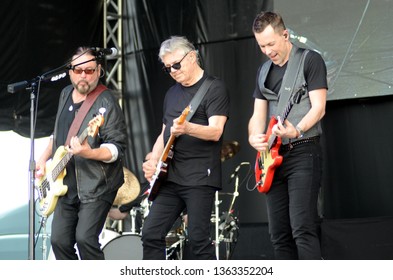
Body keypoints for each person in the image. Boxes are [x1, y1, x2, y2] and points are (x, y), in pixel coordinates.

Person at [141, 36, 229, 260]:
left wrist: (188, 128)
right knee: (151, 233)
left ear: (192, 57)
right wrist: (154, 159)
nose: (173, 71)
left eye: (176, 65)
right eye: (167, 68)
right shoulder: (172, 93)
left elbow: (216, 131)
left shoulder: (214, 88)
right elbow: (164, 132)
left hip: (200, 178)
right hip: (170, 178)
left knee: (198, 240)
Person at [248, 11, 327, 260]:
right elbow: (258, 116)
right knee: (279, 233)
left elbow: (319, 107)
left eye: (271, 44)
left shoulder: (309, 60)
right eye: (262, 46)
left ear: (285, 34)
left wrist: (297, 129)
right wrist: (253, 136)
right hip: (272, 158)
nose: (268, 50)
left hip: (303, 150)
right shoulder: (263, 71)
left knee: (302, 228)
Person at [35, 47, 127, 260]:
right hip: (64, 184)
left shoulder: (106, 102)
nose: (84, 75)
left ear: (99, 71)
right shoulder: (65, 93)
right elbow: (58, 135)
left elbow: (116, 149)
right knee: (59, 241)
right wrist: (42, 158)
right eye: (78, 71)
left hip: (97, 185)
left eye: (89, 70)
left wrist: (88, 152)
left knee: (85, 239)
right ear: (69, 71)